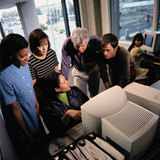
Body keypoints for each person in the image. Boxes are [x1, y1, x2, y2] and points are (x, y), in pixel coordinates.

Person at [0, 33, 41, 159]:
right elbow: (15, 109)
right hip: (22, 124)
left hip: (33, 113)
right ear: (11, 56)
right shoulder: (4, 77)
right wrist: (26, 133)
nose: (27, 58)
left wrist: (37, 105)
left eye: (27, 54)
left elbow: (30, 86)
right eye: (22, 56)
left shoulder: (25, 65)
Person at [38, 72, 89, 136]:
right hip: (67, 134)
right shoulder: (48, 105)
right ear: (57, 89)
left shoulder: (75, 91)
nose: (68, 82)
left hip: (85, 126)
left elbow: (88, 105)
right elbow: (55, 128)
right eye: (64, 82)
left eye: (66, 80)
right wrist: (67, 114)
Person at [61, 27, 101, 98]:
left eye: (82, 46)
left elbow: (104, 53)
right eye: (77, 46)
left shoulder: (95, 40)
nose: (80, 49)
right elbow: (65, 65)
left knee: (94, 96)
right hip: (78, 71)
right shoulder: (67, 44)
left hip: (93, 70)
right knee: (80, 97)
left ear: (87, 41)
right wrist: (63, 83)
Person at [28, 28, 59, 100]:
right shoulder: (31, 62)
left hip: (55, 88)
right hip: (43, 94)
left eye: (46, 44)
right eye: (40, 46)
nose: (44, 48)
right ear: (34, 46)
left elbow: (56, 72)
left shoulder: (51, 53)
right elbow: (34, 83)